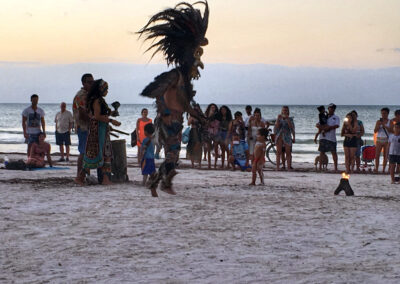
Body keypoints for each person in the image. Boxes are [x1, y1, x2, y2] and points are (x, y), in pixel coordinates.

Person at [82, 79, 121, 185]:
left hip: (101, 127)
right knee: (103, 152)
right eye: (106, 89)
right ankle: (104, 179)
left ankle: (104, 178)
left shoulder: (99, 100)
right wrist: (112, 120)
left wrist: (112, 113)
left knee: (105, 152)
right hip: (99, 128)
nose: (107, 91)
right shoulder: (97, 100)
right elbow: (98, 116)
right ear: (101, 89)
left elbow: (102, 114)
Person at [73, 73, 94, 184]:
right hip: (84, 127)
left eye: (92, 82)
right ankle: (79, 176)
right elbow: (82, 114)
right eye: (89, 82)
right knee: (83, 152)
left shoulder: (87, 94)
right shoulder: (81, 95)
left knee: (87, 152)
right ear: (83, 83)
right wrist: (94, 121)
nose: (92, 84)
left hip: (87, 127)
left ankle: (85, 175)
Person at [316, 103, 340, 172]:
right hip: (323, 137)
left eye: (333, 108)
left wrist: (328, 128)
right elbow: (317, 124)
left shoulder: (336, 117)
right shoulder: (323, 116)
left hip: (331, 138)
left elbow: (337, 126)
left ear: (334, 109)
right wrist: (323, 128)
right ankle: (320, 167)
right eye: (330, 108)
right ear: (328, 108)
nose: (331, 109)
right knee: (321, 152)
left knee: (334, 152)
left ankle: (335, 168)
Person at [139, 123, 158, 196]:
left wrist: (141, 156)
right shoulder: (153, 140)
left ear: (146, 132)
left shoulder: (145, 140)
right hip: (152, 158)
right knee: (151, 171)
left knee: (145, 171)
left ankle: (143, 183)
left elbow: (143, 149)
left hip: (146, 158)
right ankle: (153, 182)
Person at [274, 106, 295, 171]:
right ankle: (277, 167)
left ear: (288, 111)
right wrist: (278, 119)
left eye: (286, 110)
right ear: (281, 111)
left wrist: (294, 137)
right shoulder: (279, 118)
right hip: (279, 136)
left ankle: (288, 167)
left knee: (288, 153)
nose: (284, 111)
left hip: (287, 136)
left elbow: (292, 128)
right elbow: (276, 128)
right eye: (283, 110)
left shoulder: (290, 119)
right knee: (278, 152)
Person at [374, 107, 391, 173]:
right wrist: (378, 126)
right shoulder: (378, 121)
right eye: (382, 113)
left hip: (386, 140)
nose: (383, 115)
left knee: (385, 155)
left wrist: (385, 126)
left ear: (387, 114)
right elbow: (375, 131)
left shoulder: (390, 121)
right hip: (379, 139)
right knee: (377, 155)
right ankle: (376, 168)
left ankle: (384, 169)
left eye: (385, 113)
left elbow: (392, 130)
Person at [203, 103, 219, 169]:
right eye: (212, 107)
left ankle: (215, 164)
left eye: (214, 107)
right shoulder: (206, 115)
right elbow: (205, 124)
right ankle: (209, 164)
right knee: (208, 148)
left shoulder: (217, 115)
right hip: (208, 132)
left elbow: (218, 124)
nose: (213, 108)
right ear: (209, 108)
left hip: (215, 132)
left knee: (216, 148)